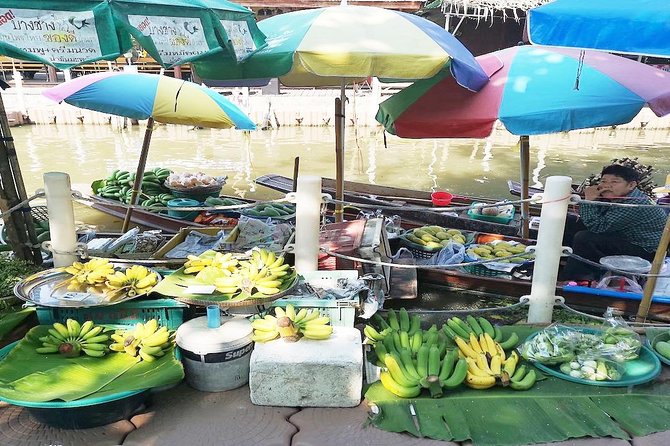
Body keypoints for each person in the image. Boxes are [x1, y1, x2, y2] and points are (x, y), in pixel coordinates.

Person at [560, 164, 668, 281]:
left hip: (645, 251)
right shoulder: (623, 197)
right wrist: (596, 198)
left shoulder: (633, 205)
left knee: (585, 238)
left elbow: (598, 227)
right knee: (570, 221)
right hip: (626, 236)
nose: (607, 186)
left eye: (614, 182)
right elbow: (599, 218)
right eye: (603, 181)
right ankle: (564, 261)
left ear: (631, 185)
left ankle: (577, 277)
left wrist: (588, 200)